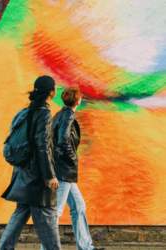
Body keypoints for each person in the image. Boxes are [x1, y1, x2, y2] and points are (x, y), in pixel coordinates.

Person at [0, 75, 61, 250]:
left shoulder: (24, 112)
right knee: (47, 214)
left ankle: (4, 248)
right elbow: (43, 147)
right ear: (51, 92)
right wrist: (49, 176)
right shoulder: (44, 114)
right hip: (36, 176)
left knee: (21, 213)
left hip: (22, 171)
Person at [45, 87, 104, 250]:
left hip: (63, 171)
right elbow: (63, 140)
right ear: (77, 101)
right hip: (64, 171)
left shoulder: (59, 114)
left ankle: (86, 247)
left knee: (79, 207)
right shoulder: (68, 115)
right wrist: (72, 158)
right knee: (56, 212)